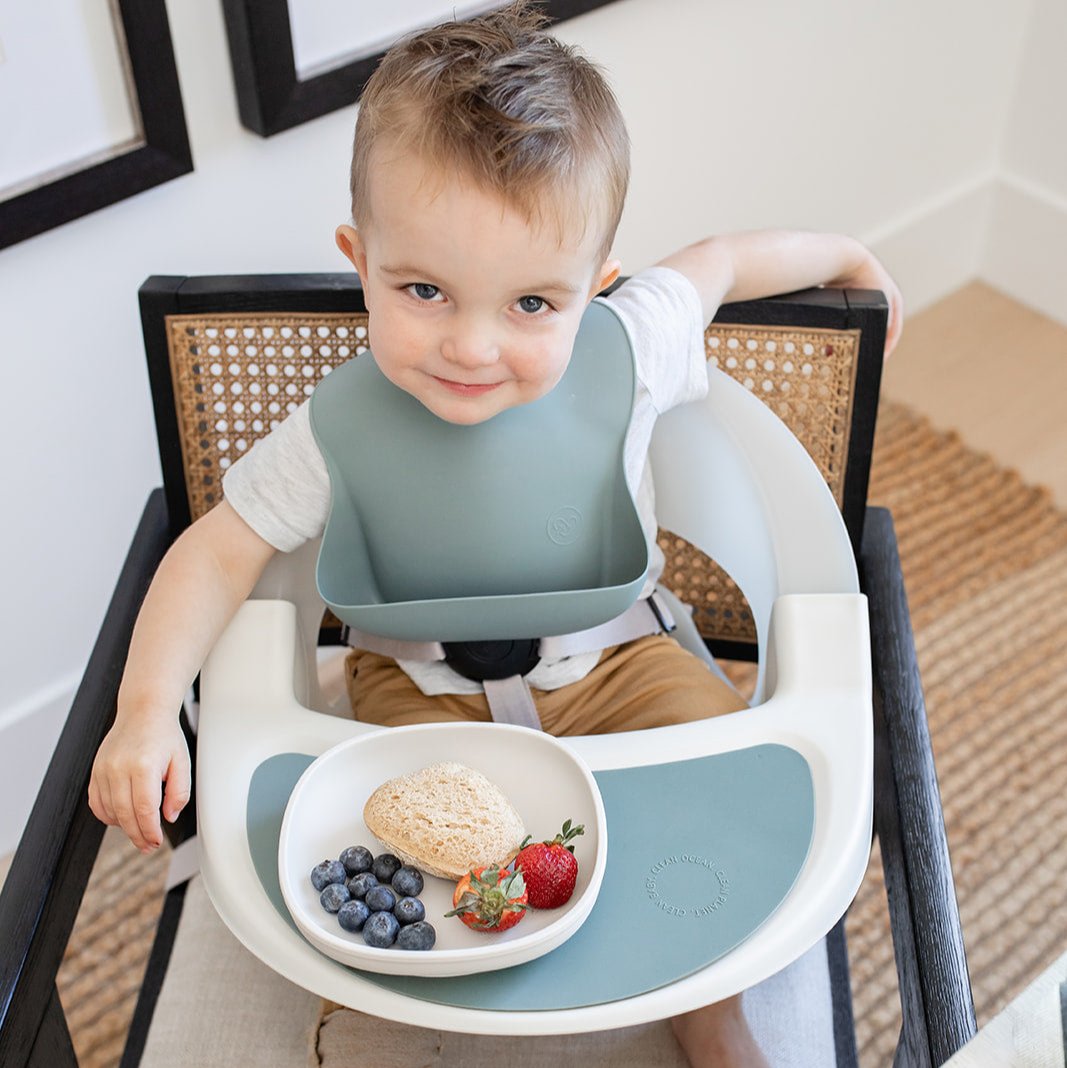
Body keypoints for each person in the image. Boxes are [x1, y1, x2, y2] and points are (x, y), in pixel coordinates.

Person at [89, 3, 902, 1064]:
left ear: (596, 287)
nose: (472, 347)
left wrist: (846, 252)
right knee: (360, 884)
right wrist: (148, 713)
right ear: (359, 259)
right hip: (411, 698)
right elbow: (214, 552)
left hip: (620, 666)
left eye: (530, 303)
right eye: (422, 290)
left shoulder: (632, 342)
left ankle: (709, 1013)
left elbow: (720, 259)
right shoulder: (331, 429)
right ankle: (417, 1010)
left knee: (720, 813)